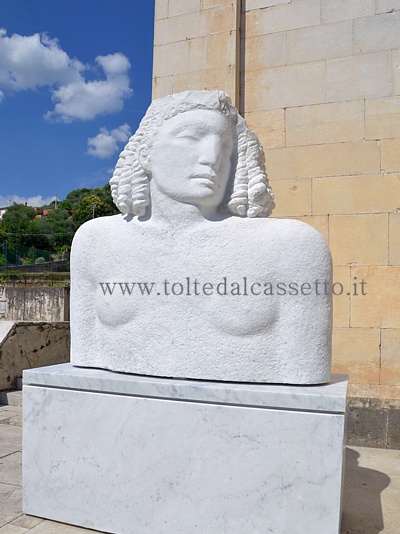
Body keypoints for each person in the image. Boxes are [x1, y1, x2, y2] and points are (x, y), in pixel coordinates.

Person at [71, 90, 332, 384]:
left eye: (225, 146)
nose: (212, 158)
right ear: (146, 152)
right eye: (191, 137)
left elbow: (305, 369)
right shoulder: (95, 242)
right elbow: (84, 357)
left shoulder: (290, 246)